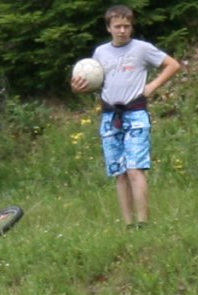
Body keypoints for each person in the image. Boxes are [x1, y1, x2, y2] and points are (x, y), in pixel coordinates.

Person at [78, 5, 181, 229]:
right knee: (120, 172)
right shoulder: (100, 53)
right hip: (110, 116)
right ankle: (128, 224)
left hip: (135, 114)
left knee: (135, 168)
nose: (122, 30)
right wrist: (79, 87)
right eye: (118, 26)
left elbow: (172, 65)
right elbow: (94, 80)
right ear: (109, 28)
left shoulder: (142, 49)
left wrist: (151, 86)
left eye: (126, 26)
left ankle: (143, 222)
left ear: (132, 27)